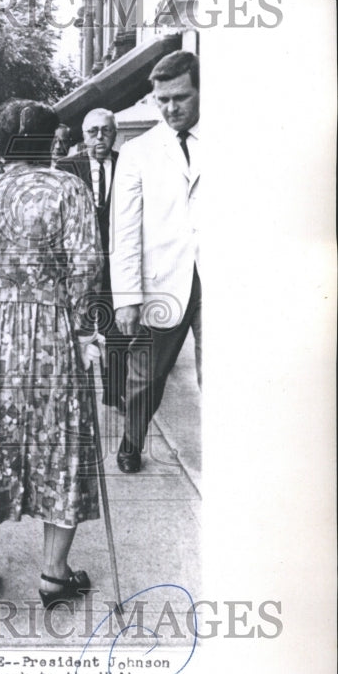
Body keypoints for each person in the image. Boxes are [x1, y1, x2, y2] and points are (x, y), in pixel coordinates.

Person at [0, 99, 103, 606]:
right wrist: (82, 332)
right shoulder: (71, 192)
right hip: (51, 336)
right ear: (49, 143)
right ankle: (54, 575)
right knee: (62, 447)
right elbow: (86, 269)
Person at [110, 50, 201, 473]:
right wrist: (126, 297)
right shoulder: (137, 152)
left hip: (219, 281)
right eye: (162, 99)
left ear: (201, 91)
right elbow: (124, 231)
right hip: (161, 280)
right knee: (144, 377)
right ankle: (132, 439)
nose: (170, 108)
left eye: (180, 97)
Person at [56, 108, 128, 412]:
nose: (100, 137)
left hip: (116, 260)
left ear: (114, 133)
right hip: (79, 265)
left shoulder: (127, 164)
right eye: (92, 131)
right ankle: (79, 393)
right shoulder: (66, 166)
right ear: (83, 135)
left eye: (106, 130)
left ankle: (114, 392)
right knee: (80, 329)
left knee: (116, 331)